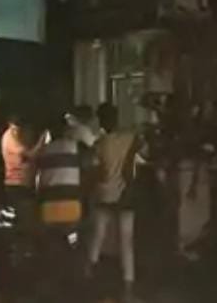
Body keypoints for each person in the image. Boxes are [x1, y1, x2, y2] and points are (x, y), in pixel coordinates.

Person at [86, 103, 143, 303]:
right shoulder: (130, 138)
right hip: (126, 195)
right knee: (127, 241)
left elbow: (96, 172)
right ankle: (128, 287)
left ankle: (89, 277)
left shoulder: (99, 144)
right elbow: (140, 149)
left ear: (101, 121)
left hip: (105, 194)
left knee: (97, 237)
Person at [1, 111, 47, 233]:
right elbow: (30, 155)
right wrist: (43, 140)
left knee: (28, 221)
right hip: (17, 184)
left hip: (25, 184)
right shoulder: (9, 138)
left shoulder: (17, 136)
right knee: (25, 223)